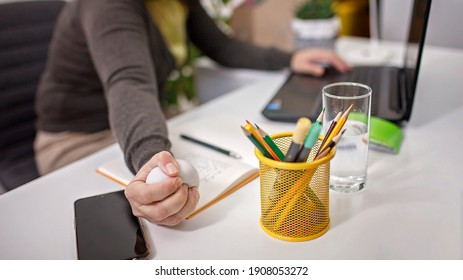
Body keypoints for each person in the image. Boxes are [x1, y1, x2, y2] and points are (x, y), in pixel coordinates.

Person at [35, 0, 350, 226]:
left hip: (134, 125)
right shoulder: (106, 6)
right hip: (78, 141)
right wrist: (152, 160)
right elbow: (129, 82)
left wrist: (292, 58)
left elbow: (223, 47)